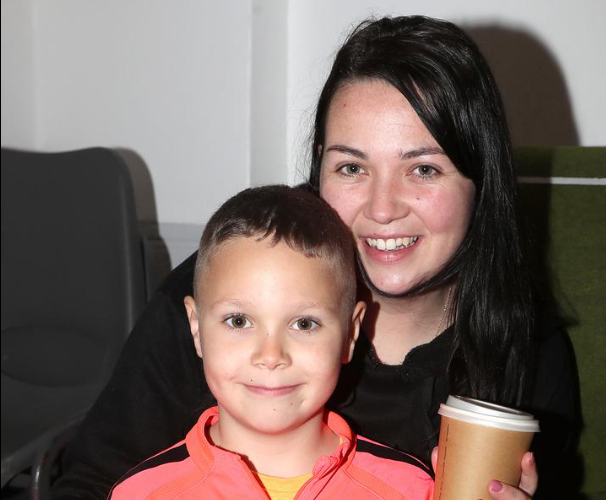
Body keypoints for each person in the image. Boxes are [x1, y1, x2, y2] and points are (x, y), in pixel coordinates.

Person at [53, 15, 577, 500]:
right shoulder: (231, 292)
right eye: (352, 167)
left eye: (423, 170)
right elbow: (90, 481)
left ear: (480, 185)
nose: (382, 208)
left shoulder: (526, 349)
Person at [108, 185, 434, 500]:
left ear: (350, 334)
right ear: (196, 328)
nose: (270, 355)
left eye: (304, 324)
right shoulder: (141, 494)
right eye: (238, 321)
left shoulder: (412, 490)